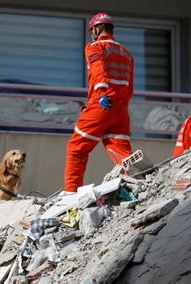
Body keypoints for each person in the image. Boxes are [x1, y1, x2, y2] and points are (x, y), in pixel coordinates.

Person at [64, 12, 134, 192]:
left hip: (102, 103)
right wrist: (122, 103)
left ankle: (70, 193)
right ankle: (136, 183)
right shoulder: (126, 53)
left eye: (92, 30)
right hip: (121, 109)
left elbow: (98, 69)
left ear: (96, 28)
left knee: (76, 148)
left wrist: (102, 93)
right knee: (121, 151)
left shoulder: (94, 47)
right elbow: (130, 86)